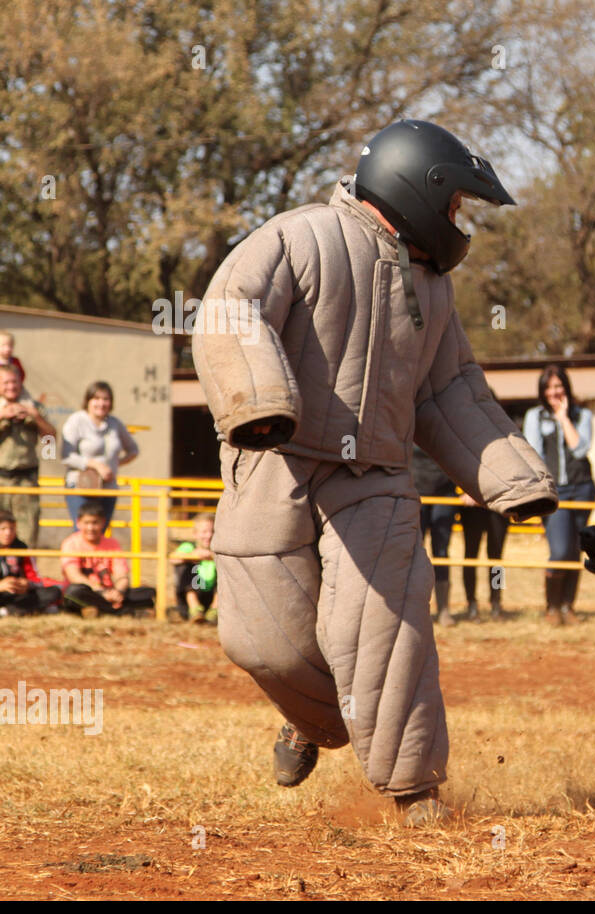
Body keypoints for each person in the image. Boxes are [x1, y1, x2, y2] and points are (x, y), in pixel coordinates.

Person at [192, 119, 556, 825]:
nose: (460, 224)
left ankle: (415, 793)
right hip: (276, 458)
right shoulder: (300, 237)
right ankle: (320, 723)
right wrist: (260, 401)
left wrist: (515, 479)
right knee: (261, 641)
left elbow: (450, 392)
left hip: (377, 479)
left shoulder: (433, 291)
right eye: (457, 206)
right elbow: (232, 310)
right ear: (420, 188)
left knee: (386, 629)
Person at [523, 365, 595, 624]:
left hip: (582, 487)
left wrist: (564, 418)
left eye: (559, 386)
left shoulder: (582, 414)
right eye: (549, 387)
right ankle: (552, 606)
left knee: (576, 549)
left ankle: (568, 607)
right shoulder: (535, 416)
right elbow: (534, 455)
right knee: (560, 549)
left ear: (566, 387)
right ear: (543, 391)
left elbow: (579, 449)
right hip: (554, 491)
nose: (554, 391)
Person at [60, 381, 139, 527]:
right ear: (88, 401)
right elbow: (65, 456)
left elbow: (133, 450)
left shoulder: (114, 423)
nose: (101, 403)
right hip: (81, 487)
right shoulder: (77, 420)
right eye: (96, 399)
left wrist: (115, 464)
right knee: (84, 532)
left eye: (106, 399)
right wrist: (96, 465)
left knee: (100, 536)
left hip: (108, 488)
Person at [60, 503, 155, 617]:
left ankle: (101, 609)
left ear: (103, 522)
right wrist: (101, 592)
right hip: (88, 591)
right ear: (78, 523)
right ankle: (123, 611)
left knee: (148, 593)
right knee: (73, 592)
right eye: (87, 523)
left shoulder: (112, 544)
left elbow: (122, 575)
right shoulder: (70, 543)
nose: (91, 528)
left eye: (95, 522)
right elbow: (74, 576)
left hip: (108, 592)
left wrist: (118, 592)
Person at [0, 366, 55, 548]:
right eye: (6, 382)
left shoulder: (35, 407)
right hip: (1, 478)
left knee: (27, 534)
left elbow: (50, 441)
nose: (11, 386)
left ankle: (26, 575)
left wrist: (36, 417)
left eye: (14, 382)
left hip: (26, 480)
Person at [411, 446, 459, 627]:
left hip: (444, 494)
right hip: (415, 493)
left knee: (441, 551)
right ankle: (415, 608)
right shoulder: (406, 422)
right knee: (414, 552)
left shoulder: (445, 422)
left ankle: (444, 609)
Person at [0, 509, 62, 616]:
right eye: (3, 529)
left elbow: (35, 578)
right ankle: (26, 609)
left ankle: (8, 611)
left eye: (12, 528)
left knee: (53, 592)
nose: (8, 533)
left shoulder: (21, 548)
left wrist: (27, 584)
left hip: (18, 595)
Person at [459, 495, 509, 620]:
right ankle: (471, 603)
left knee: (496, 558)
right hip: (472, 507)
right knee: (470, 556)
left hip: (498, 504)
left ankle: (496, 602)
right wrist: (467, 492)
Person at [170, 513, 218, 623]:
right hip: (193, 594)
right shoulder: (188, 547)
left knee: (227, 568)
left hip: (213, 596)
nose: (209, 535)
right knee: (183, 564)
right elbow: (173, 559)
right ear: (195, 534)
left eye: (212, 531)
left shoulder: (220, 550)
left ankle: (215, 610)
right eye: (204, 532)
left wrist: (212, 556)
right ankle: (195, 609)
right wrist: (193, 555)